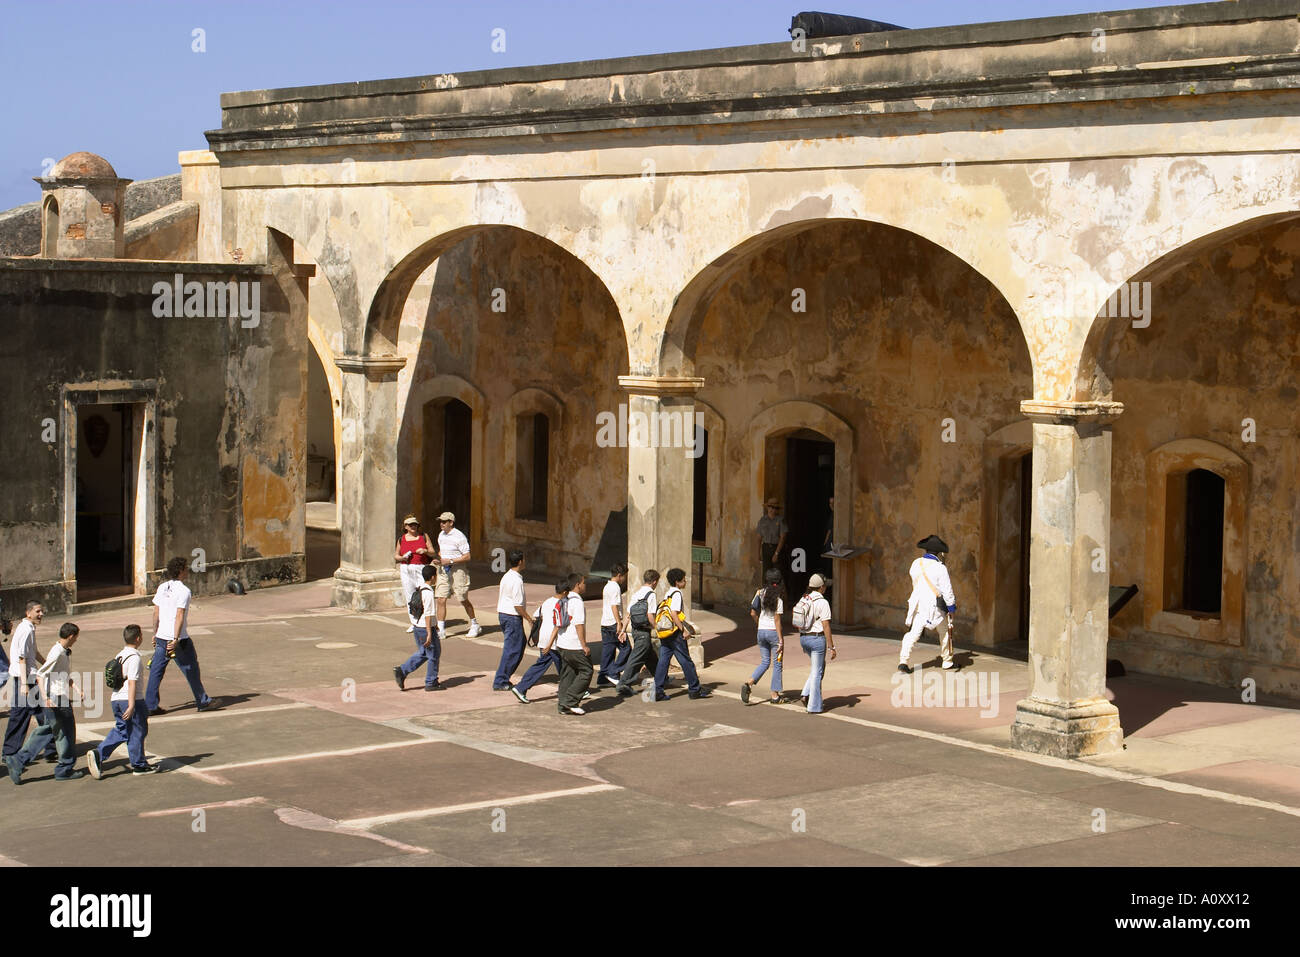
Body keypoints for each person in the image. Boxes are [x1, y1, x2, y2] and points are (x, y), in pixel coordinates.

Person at [6, 622, 85, 783]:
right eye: (76, 637)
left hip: (56, 697)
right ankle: (64, 768)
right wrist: (46, 697)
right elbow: (41, 674)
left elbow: (62, 675)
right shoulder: (57, 653)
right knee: (67, 733)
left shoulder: (61, 651)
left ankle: (19, 760)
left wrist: (77, 688)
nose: (76, 640)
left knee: (49, 730)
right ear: (71, 636)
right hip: (56, 699)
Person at [145, 556, 216, 715]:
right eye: (186, 568)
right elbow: (179, 615)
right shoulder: (184, 591)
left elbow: (156, 612)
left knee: (156, 670)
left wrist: (155, 633)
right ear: (181, 571)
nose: (188, 570)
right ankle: (203, 701)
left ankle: (150, 705)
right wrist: (175, 638)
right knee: (191, 668)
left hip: (162, 637)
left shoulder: (162, 587)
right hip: (178, 639)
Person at [87, 624, 159, 777]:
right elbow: (132, 681)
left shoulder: (119, 655)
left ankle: (98, 753)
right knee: (137, 731)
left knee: (123, 729)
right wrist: (132, 704)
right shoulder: (134, 658)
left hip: (116, 698)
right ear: (138, 638)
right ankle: (139, 765)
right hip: (131, 699)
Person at [900, 534, 958, 673]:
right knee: (945, 633)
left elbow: (915, 582)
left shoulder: (916, 563)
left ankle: (903, 661)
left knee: (913, 634)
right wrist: (951, 607)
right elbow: (947, 590)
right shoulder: (940, 567)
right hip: (935, 605)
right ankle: (947, 661)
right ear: (939, 552)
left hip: (919, 603)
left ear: (926, 550)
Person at [652, 568, 712, 701]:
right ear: (677, 582)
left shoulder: (668, 593)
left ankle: (658, 690)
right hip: (674, 633)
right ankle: (695, 689)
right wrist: (683, 630)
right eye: (683, 579)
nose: (685, 581)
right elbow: (674, 613)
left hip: (665, 632)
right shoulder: (677, 594)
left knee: (663, 661)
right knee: (686, 661)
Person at [3, 601, 45, 766]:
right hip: (24, 678)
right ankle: (9, 752)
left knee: (39, 713)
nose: (41, 614)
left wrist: (47, 665)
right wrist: (23, 684)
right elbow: (22, 658)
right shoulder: (25, 630)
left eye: (41, 611)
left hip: (27, 677)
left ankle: (51, 748)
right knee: (23, 715)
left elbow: (34, 652)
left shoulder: (29, 628)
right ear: (28, 613)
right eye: (38, 611)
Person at [510, 580, 567, 704]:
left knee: (553, 664)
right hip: (553, 640)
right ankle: (521, 687)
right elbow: (559, 624)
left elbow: (538, 615)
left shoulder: (547, 601)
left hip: (544, 638)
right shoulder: (562, 603)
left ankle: (521, 688)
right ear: (564, 592)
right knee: (563, 665)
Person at [549, 574, 593, 715]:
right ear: (578, 585)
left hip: (562, 643)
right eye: (584, 583)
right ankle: (571, 701)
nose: (585, 585)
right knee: (587, 671)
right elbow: (579, 625)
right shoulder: (577, 602)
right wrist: (584, 645)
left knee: (568, 673)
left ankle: (563, 705)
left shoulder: (565, 599)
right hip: (574, 645)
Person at [394, 564, 441, 691]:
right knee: (434, 654)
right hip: (425, 628)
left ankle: (402, 671)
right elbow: (428, 614)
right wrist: (429, 633)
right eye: (436, 575)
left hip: (417, 627)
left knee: (424, 653)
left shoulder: (420, 589)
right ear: (432, 577)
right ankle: (431, 682)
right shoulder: (429, 593)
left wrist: (434, 625)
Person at [741, 568, 784, 705]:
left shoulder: (759, 593)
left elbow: (753, 613)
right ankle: (775, 695)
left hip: (761, 631)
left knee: (765, 662)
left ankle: (749, 683)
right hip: (773, 633)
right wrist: (781, 640)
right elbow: (777, 621)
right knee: (777, 665)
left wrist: (759, 624)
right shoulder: (779, 599)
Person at [492, 550, 534, 691]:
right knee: (512, 650)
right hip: (512, 617)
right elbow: (518, 605)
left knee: (518, 645)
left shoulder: (507, 576)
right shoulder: (516, 580)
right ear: (520, 562)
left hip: (504, 615)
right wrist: (528, 618)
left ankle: (503, 677)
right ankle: (501, 680)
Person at [434, 512, 480, 638]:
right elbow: (441, 551)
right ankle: (441, 630)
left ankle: (475, 624)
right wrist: (440, 559)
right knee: (440, 599)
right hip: (444, 570)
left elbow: (467, 556)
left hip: (458, 570)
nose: (441, 524)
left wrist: (451, 561)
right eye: (440, 521)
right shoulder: (441, 535)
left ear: (451, 522)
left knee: (462, 599)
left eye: (444, 522)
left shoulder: (459, 536)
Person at [615, 569, 660, 697]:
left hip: (635, 630)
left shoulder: (637, 593)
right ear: (654, 582)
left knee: (649, 656)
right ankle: (623, 683)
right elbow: (650, 615)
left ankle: (662, 677)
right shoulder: (651, 594)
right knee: (636, 658)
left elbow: (628, 615)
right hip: (644, 631)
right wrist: (657, 628)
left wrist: (623, 630)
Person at [795, 573, 836, 714]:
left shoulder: (804, 598)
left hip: (804, 638)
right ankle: (814, 706)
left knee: (817, 667)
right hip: (817, 639)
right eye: (824, 586)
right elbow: (826, 626)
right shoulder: (823, 602)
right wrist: (832, 646)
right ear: (821, 587)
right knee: (817, 672)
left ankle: (805, 693)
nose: (825, 588)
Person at [395, 515, 435, 633]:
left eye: (415, 525)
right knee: (410, 595)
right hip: (406, 568)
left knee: (425, 593)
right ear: (406, 526)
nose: (413, 527)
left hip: (420, 567)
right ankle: (414, 622)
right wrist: (402, 557)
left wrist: (425, 551)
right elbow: (396, 555)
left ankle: (428, 621)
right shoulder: (401, 539)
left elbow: (433, 552)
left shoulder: (423, 537)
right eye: (411, 525)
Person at [596, 564, 629, 688]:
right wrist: (619, 623)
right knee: (626, 648)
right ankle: (614, 673)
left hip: (605, 622)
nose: (625, 579)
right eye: (624, 576)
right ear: (620, 575)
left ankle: (603, 678)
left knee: (608, 651)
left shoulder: (607, 586)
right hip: (613, 623)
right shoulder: (615, 587)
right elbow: (614, 606)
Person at [756, 498, 788, 578]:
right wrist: (758, 553)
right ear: (767, 507)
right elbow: (759, 537)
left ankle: (777, 590)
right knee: (766, 573)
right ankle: (766, 590)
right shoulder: (763, 520)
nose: (772, 509)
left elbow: (782, 537)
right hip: (766, 547)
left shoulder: (781, 520)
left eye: (775, 508)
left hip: (776, 548)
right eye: (770, 507)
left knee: (777, 573)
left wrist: (776, 553)